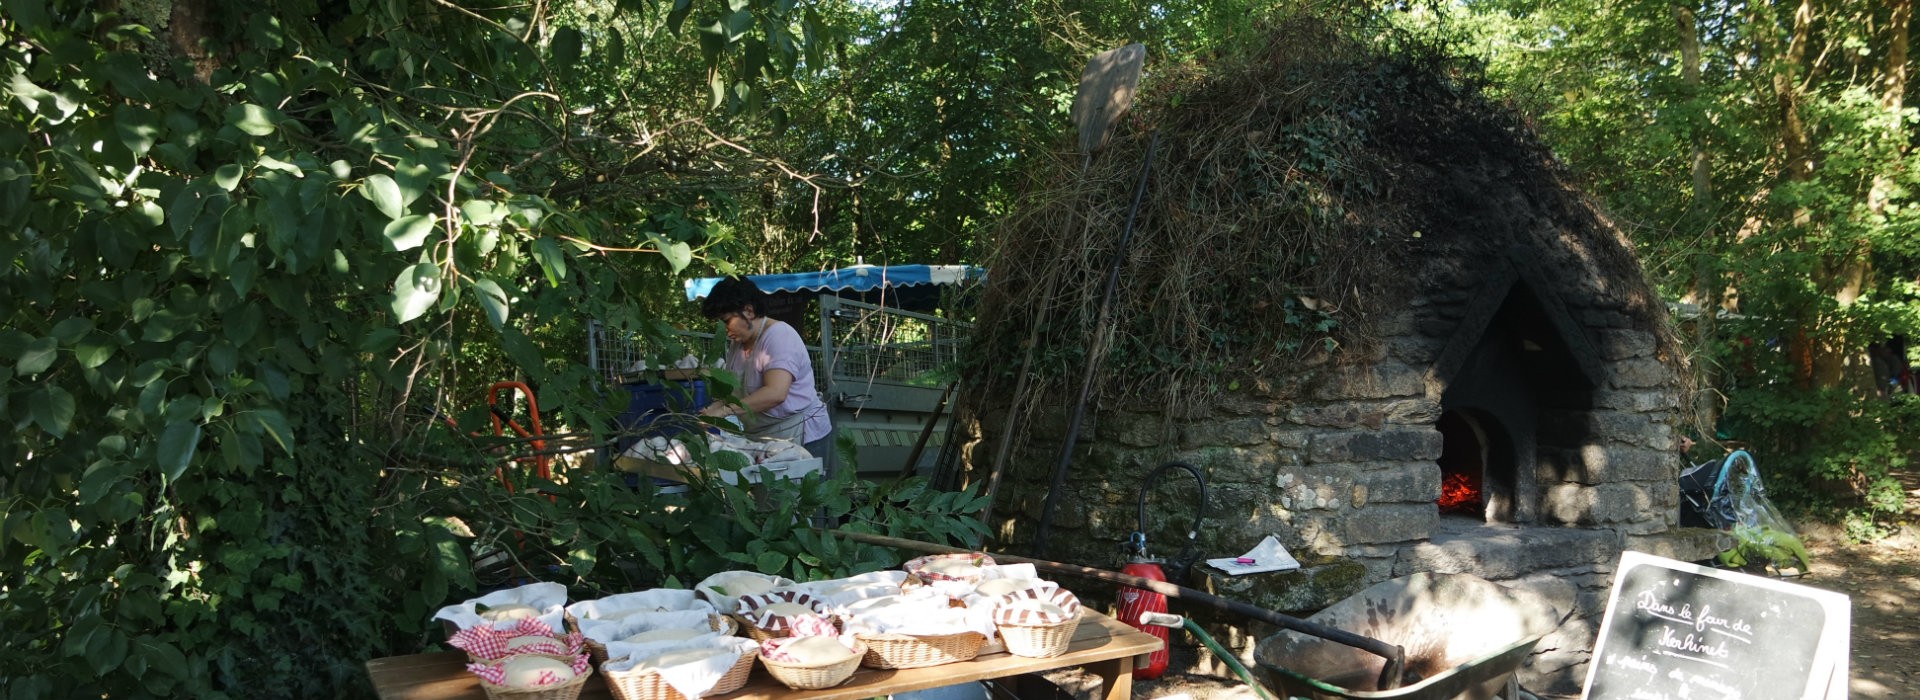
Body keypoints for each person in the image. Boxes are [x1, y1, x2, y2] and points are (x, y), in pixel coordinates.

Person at [696, 277, 833, 460]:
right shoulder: (738, 344)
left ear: (749, 311)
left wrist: (725, 410)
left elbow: (775, 393)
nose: (725, 329)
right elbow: (734, 393)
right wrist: (713, 409)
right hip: (761, 437)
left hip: (800, 435)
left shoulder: (779, 336)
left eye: (727, 320)